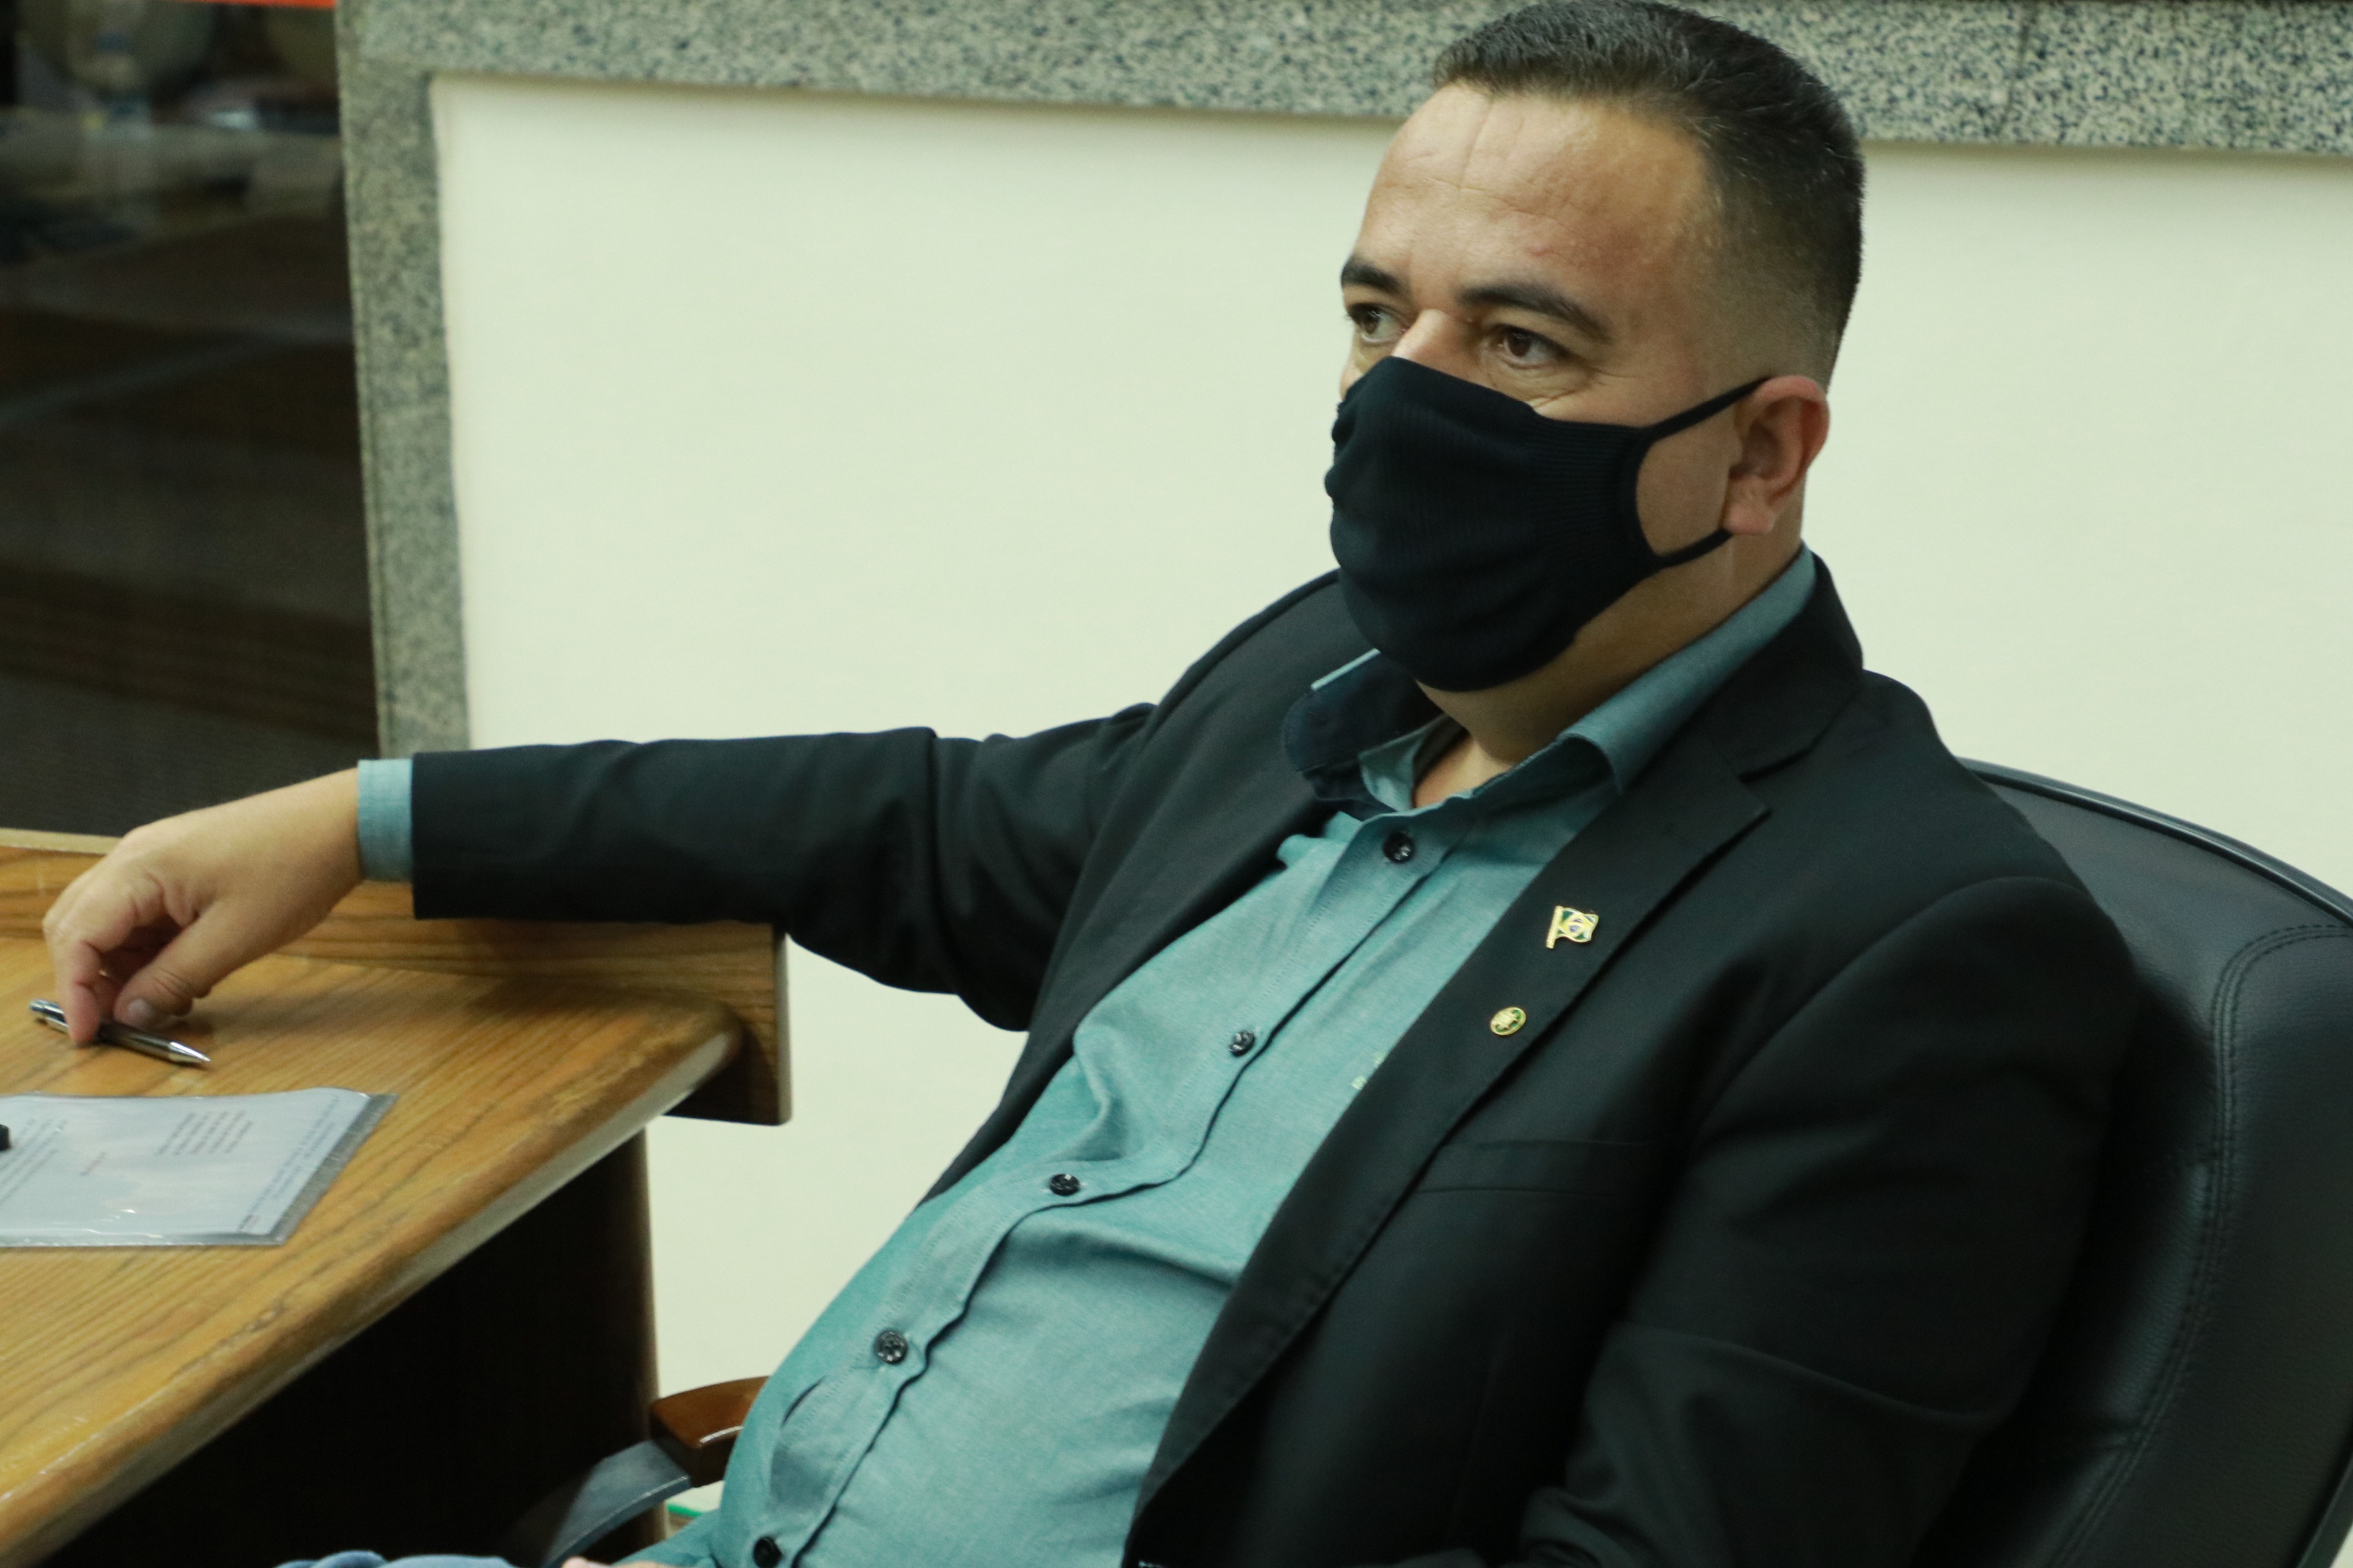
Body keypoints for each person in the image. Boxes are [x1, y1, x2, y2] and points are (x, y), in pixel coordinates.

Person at [42, 4, 2137, 1566]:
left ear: (1762, 453)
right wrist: (357, 822)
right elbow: (910, 825)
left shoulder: (1906, 946)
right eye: (1377, 315)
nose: (1403, 405)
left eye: (1522, 345)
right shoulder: (1323, 684)